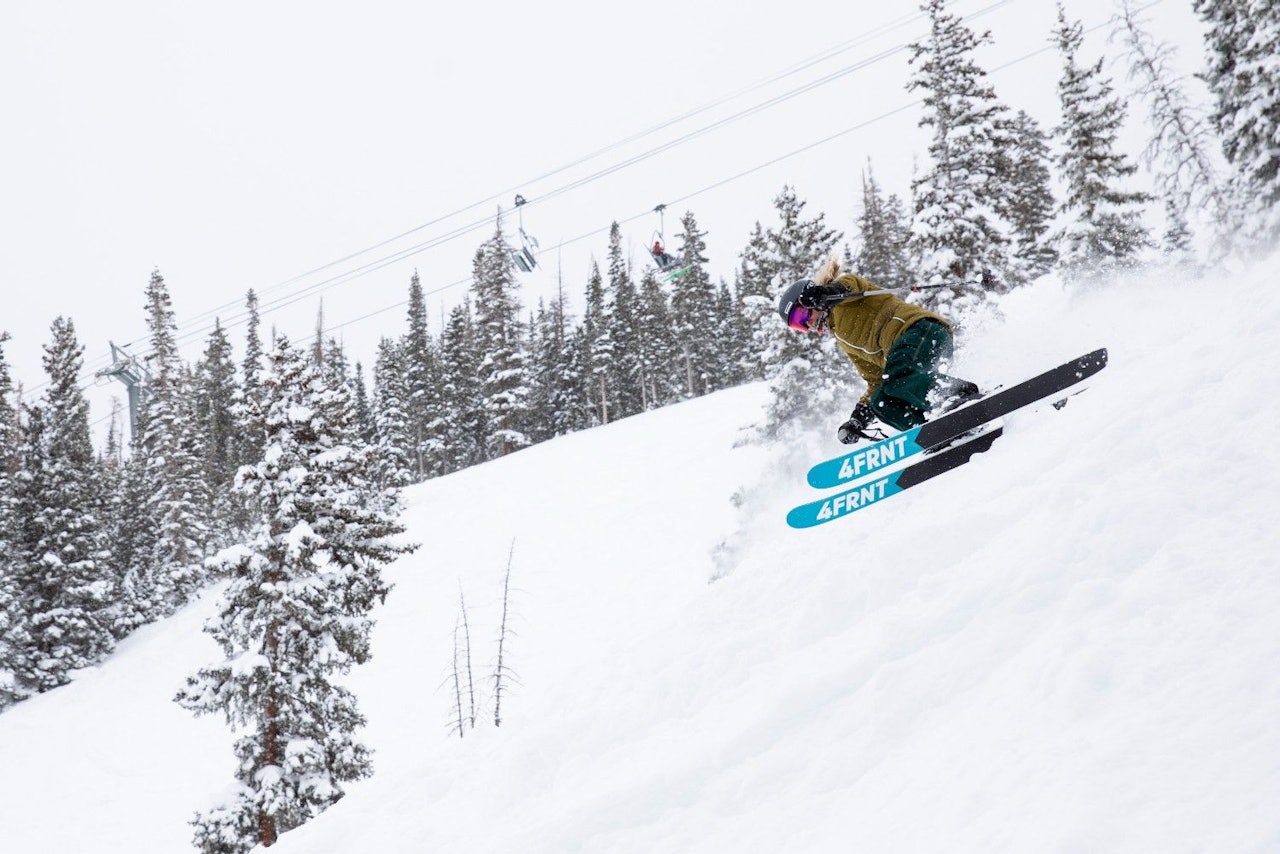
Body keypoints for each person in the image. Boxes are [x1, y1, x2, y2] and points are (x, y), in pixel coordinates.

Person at [778, 258, 979, 444]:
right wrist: (859, 417)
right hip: (911, 353)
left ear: (810, 299)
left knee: (898, 377)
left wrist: (827, 293)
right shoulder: (842, 340)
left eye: (801, 315)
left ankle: (957, 394)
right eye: (799, 325)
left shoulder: (842, 298)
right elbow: (876, 380)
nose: (808, 324)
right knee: (882, 400)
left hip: (920, 330)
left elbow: (852, 283)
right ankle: (935, 430)